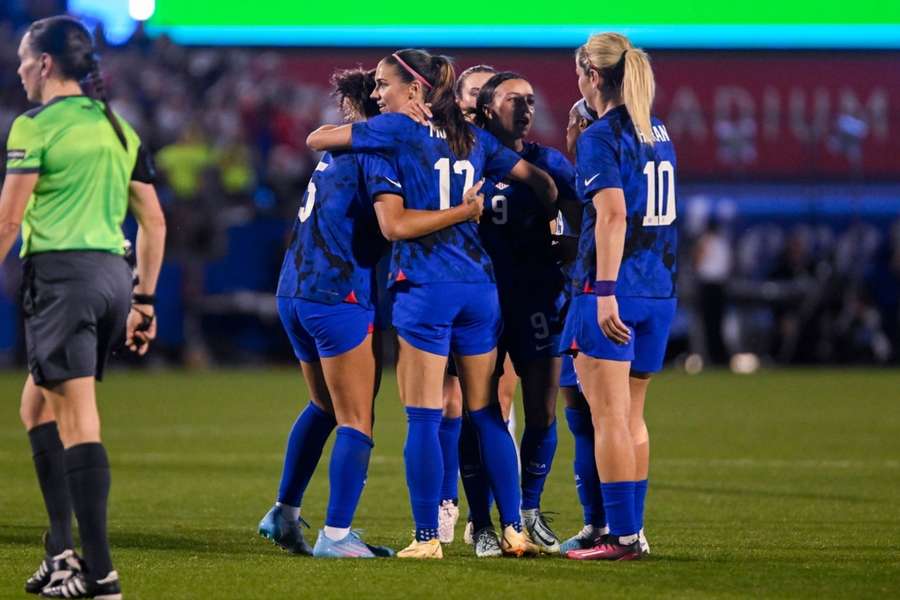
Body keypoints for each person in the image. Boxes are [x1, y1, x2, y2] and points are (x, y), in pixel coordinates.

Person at [307, 48, 557, 559]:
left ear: (416, 89)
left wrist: (457, 209)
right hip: (479, 288)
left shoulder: (398, 131)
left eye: (385, 86)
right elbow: (543, 183)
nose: (378, 96)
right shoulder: (474, 138)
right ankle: (513, 529)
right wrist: (545, 225)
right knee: (486, 414)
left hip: (426, 286)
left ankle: (427, 539)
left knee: (423, 417)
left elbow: (318, 139)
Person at [257, 67, 484, 559]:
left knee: (324, 407)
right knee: (358, 419)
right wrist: (461, 212)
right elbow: (393, 224)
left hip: (293, 291)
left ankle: (284, 512)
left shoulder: (332, 155)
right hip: (340, 294)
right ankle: (336, 535)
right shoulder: (376, 151)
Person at [0, 16, 166, 598]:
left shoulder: (33, 124)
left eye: (24, 59)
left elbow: (9, 221)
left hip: (63, 280)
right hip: (113, 281)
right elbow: (153, 221)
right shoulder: (119, 127)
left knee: (77, 418)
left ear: (45, 64)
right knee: (36, 409)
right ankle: (61, 551)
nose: (19, 70)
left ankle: (100, 574)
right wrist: (143, 300)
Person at [560, 32, 677, 561]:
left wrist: (604, 291)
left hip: (613, 289)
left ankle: (622, 537)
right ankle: (635, 530)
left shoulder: (601, 137)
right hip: (660, 288)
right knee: (631, 417)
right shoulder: (658, 129)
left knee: (606, 417)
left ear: (592, 76)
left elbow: (611, 214)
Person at [457, 71, 581, 555]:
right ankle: (482, 521)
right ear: (487, 108)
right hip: (479, 299)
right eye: (514, 99)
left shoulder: (548, 161)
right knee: (479, 411)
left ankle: (528, 512)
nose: (526, 107)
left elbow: (584, 218)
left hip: (537, 299)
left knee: (543, 411)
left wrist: (570, 249)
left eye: (531, 99)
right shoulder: (466, 159)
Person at [435, 63, 497, 546]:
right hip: (449, 283)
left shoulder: (506, 152)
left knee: (497, 405)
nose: (479, 101)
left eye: (487, 93)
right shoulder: (442, 144)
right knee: (447, 400)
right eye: (472, 92)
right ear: (457, 100)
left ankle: (494, 514)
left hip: (499, 291)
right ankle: (446, 501)